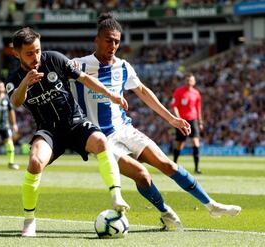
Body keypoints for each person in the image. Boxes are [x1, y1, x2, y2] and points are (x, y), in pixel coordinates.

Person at [71, 13, 241, 230]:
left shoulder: (123, 67)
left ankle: (212, 205)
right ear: (96, 39)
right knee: (141, 174)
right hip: (100, 138)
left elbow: (142, 90)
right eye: (108, 40)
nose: (113, 45)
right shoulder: (78, 66)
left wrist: (171, 118)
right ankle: (165, 211)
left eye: (117, 41)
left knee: (167, 164)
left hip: (124, 128)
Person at [5, 27, 130, 237]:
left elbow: (85, 79)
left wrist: (111, 95)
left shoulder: (54, 59)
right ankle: (29, 221)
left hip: (75, 122)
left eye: (37, 50)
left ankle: (116, 196)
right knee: (35, 162)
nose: (35, 56)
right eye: (29, 53)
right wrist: (26, 82)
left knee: (100, 141)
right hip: (49, 131)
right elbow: (16, 102)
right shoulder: (14, 77)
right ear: (16, 53)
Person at [171, 73, 203, 174]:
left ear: (194, 82)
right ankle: (174, 165)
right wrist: (178, 118)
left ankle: (197, 168)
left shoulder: (196, 93)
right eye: (188, 80)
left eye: (191, 80)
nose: (189, 82)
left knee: (196, 142)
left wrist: (200, 121)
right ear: (185, 81)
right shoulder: (179, 91)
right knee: (180, 144)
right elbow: (174, 105)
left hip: (193, 120)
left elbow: (198, 108)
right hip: (182, 120)